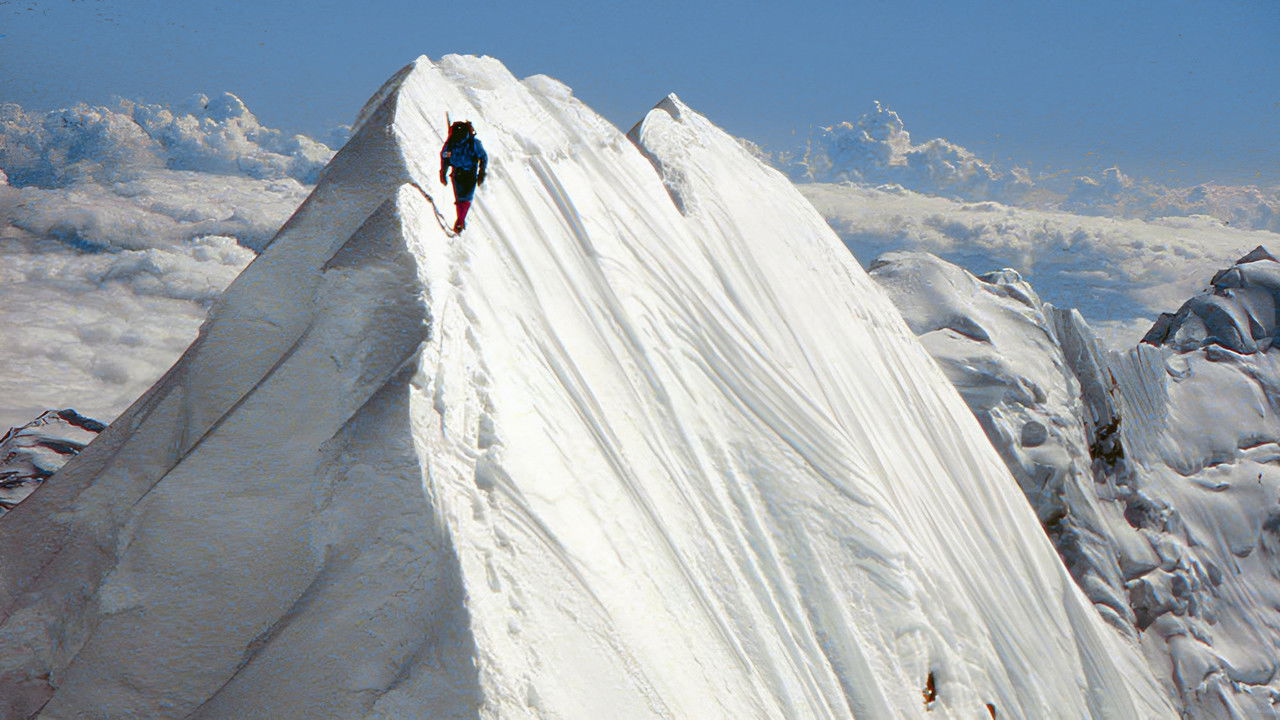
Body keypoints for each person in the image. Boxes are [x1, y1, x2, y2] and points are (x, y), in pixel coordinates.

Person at [439, 120, 488, 233]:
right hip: (460, 173)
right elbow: (445, 156)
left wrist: (481, 173)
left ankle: (460, 221)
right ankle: (460, 221)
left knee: (463, 199)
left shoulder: (461, 143)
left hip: (467, 173)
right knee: (463, 199)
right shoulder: (464, 143)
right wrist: (443, 172)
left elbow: (445, 157)